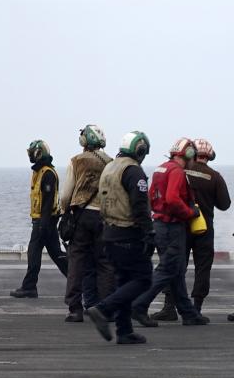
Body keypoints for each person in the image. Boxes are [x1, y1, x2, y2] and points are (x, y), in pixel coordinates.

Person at [130, 137, 209, 327]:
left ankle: (188, 313)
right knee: (167, 269)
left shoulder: (161, 168)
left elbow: (150, 196)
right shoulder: (177, 172)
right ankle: (139, 305)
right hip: (172, 227)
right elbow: (173, 200)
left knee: (177, 270)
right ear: (189, 154)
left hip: (158, 224)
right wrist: (191, 213)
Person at [85, 131, 155, 344]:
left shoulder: (110, 167)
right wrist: (149, 233)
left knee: (124, 280)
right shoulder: (133, 171)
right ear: (140, 150)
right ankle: (103, 310)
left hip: (109, 233)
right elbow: (140, 206)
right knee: (143, 279)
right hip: (128, 233)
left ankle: (124, 331)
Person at [151, 138, 230, 320]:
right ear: (210, 156)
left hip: (181, 225)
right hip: (203, 228)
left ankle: (169, 308)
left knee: (176, 266)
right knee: (203, 267)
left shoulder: (179, 171)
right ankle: (196, 308)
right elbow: (225, 204)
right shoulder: (215, 176)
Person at [58, 125, 115, 322]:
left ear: (84, 141)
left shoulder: (77, 161)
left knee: (77, 261)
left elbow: (66, 195)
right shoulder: (111, 162)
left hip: (81, 216)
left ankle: (75, 309)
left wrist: (64, 211)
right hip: (105, 216)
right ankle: (106, 308)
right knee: (105, 263)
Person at [10, 140, 68, 298]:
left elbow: (48, 201)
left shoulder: (47, 173)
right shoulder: (40, 172)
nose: (30, 156)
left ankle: (29, 287)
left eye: (31, 153)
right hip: (45, 221)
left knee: (34, 252)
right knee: (56, 254)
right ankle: (77, 281)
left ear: (38, 153)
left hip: (45, 221)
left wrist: (43, 224)